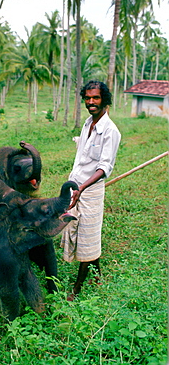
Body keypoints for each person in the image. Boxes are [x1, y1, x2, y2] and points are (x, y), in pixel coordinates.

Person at [61, 80, 121, 301]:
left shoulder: (110, 131)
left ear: (104, 99)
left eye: (95, 97)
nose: (91, 102)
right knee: (85, 233)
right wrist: (75, 186)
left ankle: (77, 288)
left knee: (87, 236)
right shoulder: (87, 124)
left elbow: (104, 167)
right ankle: (98, 274)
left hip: (91, 192)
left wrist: (83, 188)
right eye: (87, 98)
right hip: (76, 187)